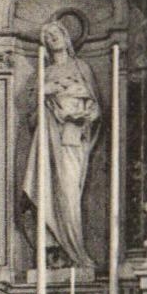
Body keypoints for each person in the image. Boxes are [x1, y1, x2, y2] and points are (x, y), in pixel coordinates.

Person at [22, 19, 101, 267]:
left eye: (55, 32)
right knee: (45, 188)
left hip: (71, 137)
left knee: (68, 192)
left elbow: (96, 108)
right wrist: (44, 92)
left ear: (66, 37)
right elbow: (31, 116)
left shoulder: (81, 67)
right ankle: (52, 250)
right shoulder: (43, 74)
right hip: (46, 138)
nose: (51, 37)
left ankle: (75, 251)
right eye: (47, 35)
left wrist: (80, 115)